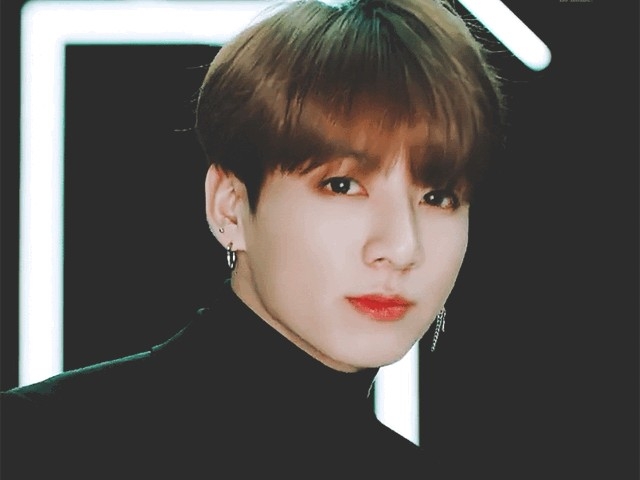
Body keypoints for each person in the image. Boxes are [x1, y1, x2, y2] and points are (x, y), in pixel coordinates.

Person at [1, 0, 505, 477]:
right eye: (342, 186)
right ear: (230, 206)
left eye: (438, 196)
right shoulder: (35, 444)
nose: (401, 247)